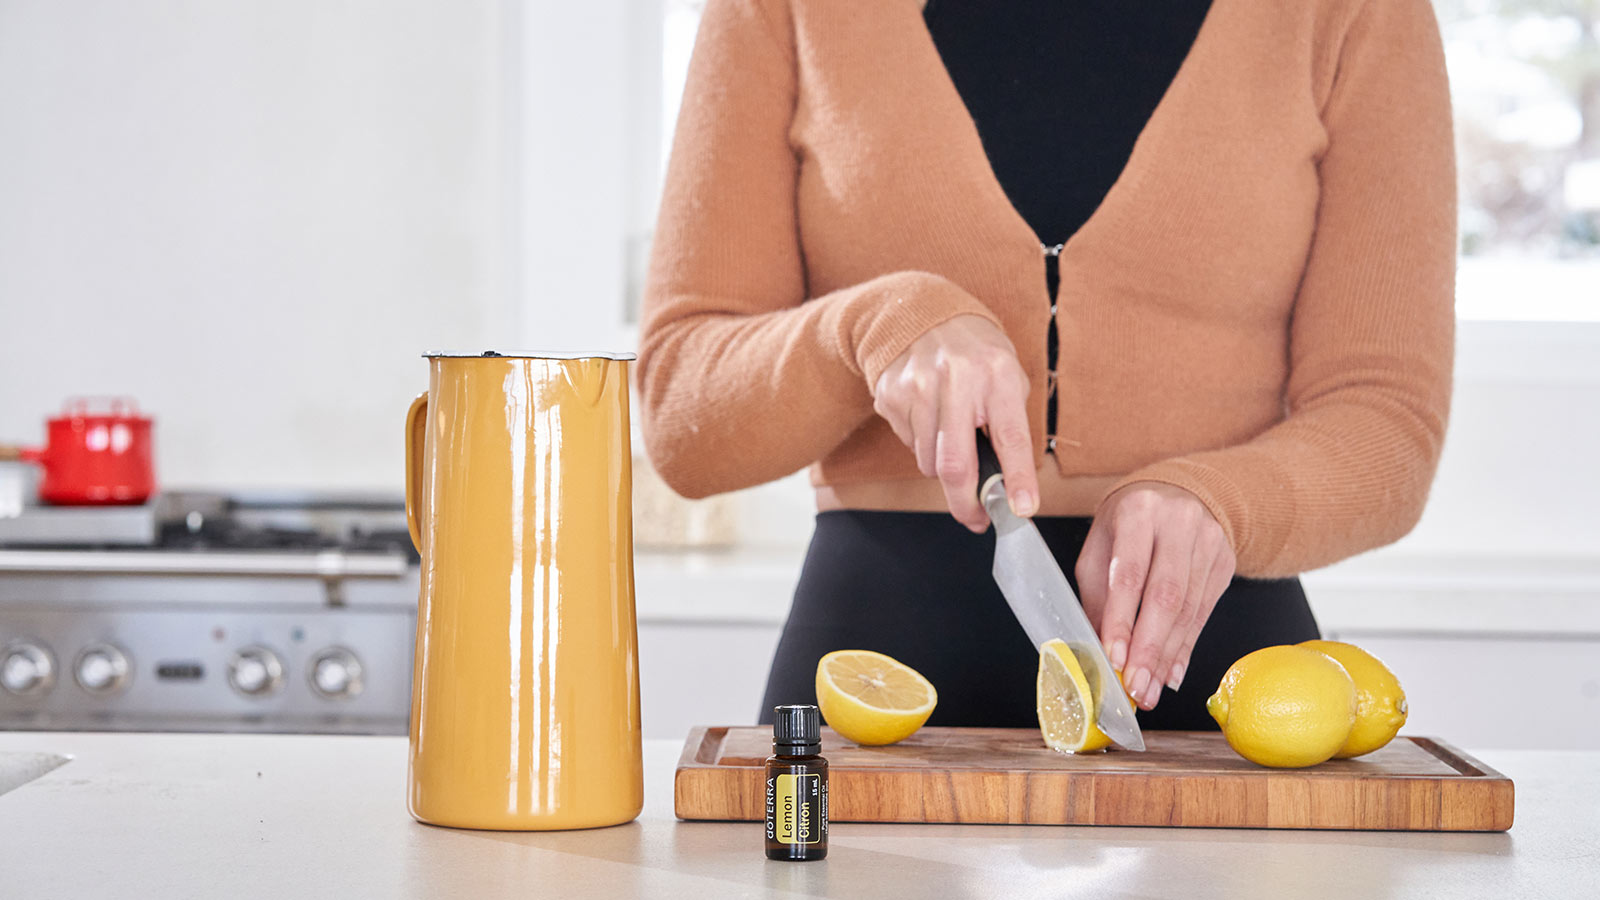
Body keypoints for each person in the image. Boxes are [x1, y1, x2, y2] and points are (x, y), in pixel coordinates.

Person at [636, 0, 1455, 729]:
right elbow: (682, 417)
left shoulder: (1354, 13)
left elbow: (1385, 416)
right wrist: (870, 328)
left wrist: (1222, 502)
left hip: (1216, 690)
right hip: (874, 689)